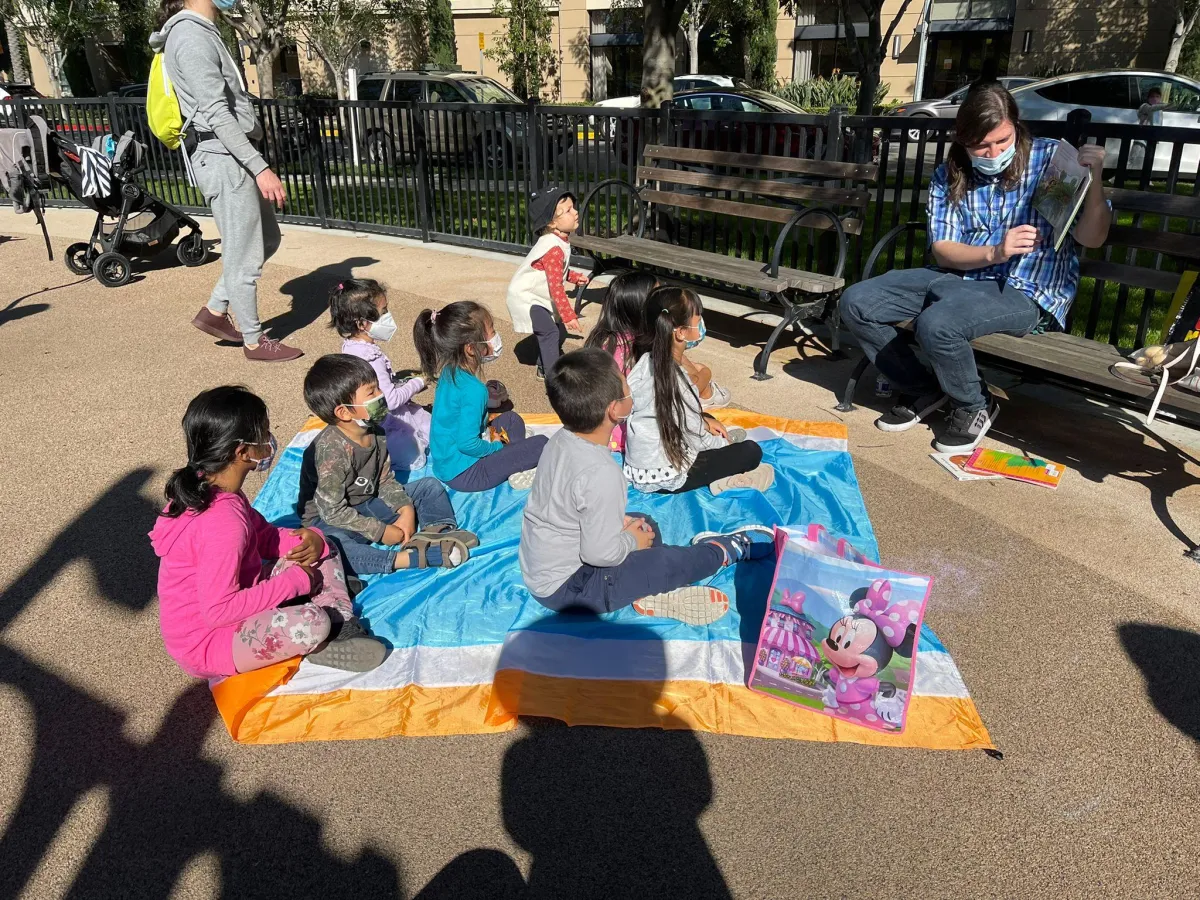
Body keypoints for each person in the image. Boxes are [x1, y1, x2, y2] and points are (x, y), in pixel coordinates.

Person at [839, 81, 1110, 453]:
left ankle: (973, 405)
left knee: (938, 324)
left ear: (1016, 126)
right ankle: (925, 388)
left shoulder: (1051, 161)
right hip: (964, 276)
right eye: (981, 146)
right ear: (962, 140)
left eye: (1002, 140)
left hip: (1026, 290)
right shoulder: (951, 175)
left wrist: (1095, 183)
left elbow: (1092, 238)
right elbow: (945, 251)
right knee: (857, 302)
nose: (994, 152)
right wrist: (995, 252)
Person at [520, 348, 774, 625]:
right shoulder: (602, 472)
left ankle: (649, 587)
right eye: (626, 383)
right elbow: (598, 554)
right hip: (571, 589)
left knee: (645, 524)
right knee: (668, 561)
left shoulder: (561, 439)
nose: (632, 386)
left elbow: (565, 507)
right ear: (614, 409)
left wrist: (622, 528)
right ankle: (723, 550)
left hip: (544, 568)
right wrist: (630, 541)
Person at [149, 385, 387, 676]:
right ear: (242, 451)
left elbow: (264, 537)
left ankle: (341, 624)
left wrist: (311, 540)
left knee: (323, 544)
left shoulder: (211, 488)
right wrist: (296, 582)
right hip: (209, 643)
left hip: (238, 594)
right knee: (311, 622)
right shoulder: (222, 522)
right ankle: (325, 623)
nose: (269, 440)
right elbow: (218, 611)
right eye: (264, 432)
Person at [150, 0, 302, 362]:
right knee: (245, 253)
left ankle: (215, 311)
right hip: (223, 158)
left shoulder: (201, 31)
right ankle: (254, 340)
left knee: (265, 239)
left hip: (229, 155)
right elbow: (215, 112)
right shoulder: (189, 36)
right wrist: (260, 167)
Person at [296, 354, 478, 578]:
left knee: (429, 486)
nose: (381, 395)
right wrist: (380, 532)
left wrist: (405, 509)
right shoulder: (331, 451)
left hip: (367, 503)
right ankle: (405, 559)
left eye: (378, 388)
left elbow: (383, 479)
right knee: (331, 546)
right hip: (328, 521)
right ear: (344, 412)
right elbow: (331, 511)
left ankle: (435, 532)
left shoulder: (376, 431)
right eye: (371, 392)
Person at [624, 286, 774, 495]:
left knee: (706, 416)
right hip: (670, 475)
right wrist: (723, 444)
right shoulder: (678, 382)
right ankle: (729, 479)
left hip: (640, 466)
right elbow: (695, 438)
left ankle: (723, 461)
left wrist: (703, 419)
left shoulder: (644, 362)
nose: (701, 322)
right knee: (751, 451)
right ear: (681, 332)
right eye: (698, 317)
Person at [414, 301, 548, 491]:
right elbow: (467, 444)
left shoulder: (449, 371)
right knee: (541, 443)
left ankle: (515, 457)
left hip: (447, 464)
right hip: (468, 474)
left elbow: (457, 414)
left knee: (511, 418)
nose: (495, 337)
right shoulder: (475, 390)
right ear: (470, 348)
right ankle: (516, 460)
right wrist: (496, 448)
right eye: (492, 331)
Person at [330, 277, 432, 471]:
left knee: (427, 424)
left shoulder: (351, 347)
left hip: (367, 420)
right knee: (423, 444)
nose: (389, 316)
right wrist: (419, 382)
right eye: (384, 312)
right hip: (387, 421)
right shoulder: (371, 357)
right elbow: (391, 400)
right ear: (362, 324)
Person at [505, 186, 590, 380]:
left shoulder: (557, 241)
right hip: (527, 297)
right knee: (551, 332)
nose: (575, 212)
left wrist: (574, 276)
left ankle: (544, 366)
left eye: (573, 207)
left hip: (535, 294)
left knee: (555, 330)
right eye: (568, 210)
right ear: (552, 223)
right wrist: (569, 315)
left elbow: (554, 271)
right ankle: (554, 381)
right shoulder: (553, 247)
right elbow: (555, 286)